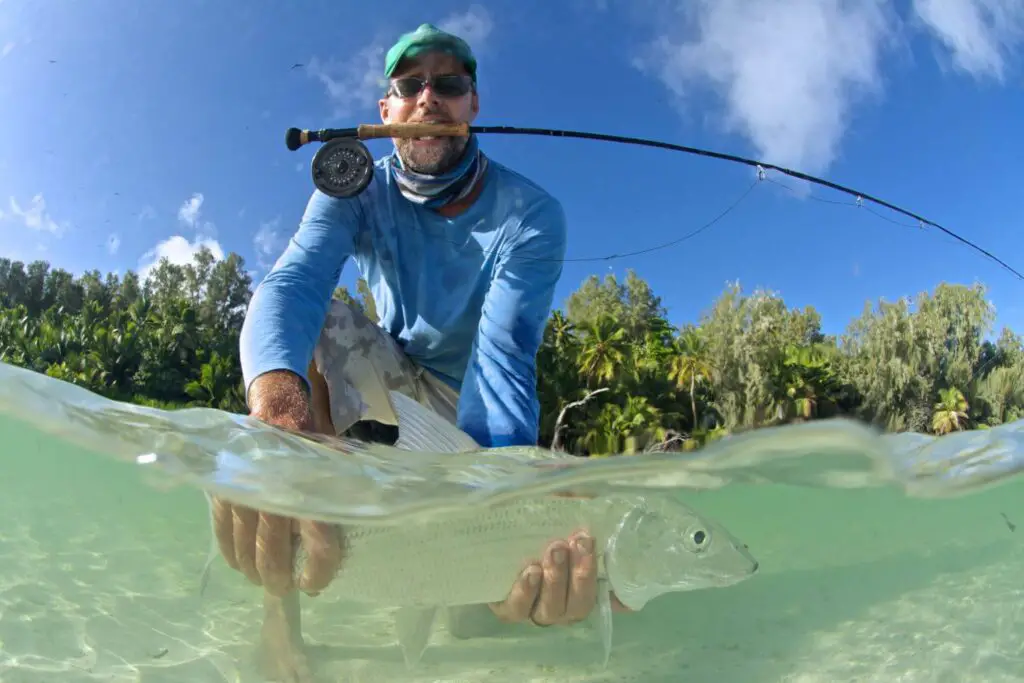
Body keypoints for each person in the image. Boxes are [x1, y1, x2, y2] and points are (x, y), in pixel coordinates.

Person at [214, 23, 626, 682]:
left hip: (478, 406)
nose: (429, 97)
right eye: (410, 85)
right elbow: (294, 283)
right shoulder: (354, 188)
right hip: (394, 379)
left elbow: (505, 353)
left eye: (450, 84)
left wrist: (503, 496)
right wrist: (278, 419)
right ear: (386, 112)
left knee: (485, 604)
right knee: (322, 323)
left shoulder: (532, 213)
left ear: (473, 105)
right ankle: (280, 610)